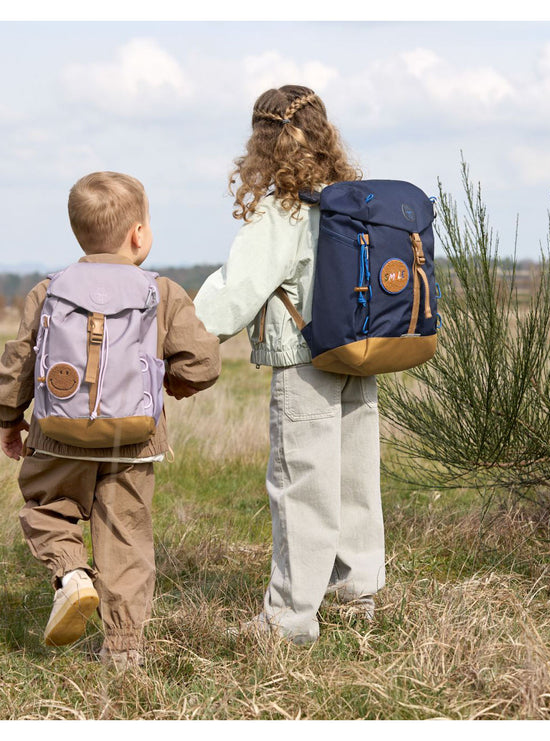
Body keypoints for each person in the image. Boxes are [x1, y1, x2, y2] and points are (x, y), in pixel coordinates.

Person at [0, 171, 221, 668]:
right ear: (139, 234)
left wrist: (10, 417)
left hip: (56, 435)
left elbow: (19, 360)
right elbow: (204, 362)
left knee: (47, 509)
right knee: (127, 536)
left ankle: (72, 576)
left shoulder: (49, 289)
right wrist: (168, 385)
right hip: (132, 441)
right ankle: (124, 650)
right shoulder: (163, 291)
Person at [194, 85, 384, 645]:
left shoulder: (282, 211)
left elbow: (236, 291)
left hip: (305, 360)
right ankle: (357, 598)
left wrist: (175, 335)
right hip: (360, 356)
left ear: (262, 141)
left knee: (302, 486)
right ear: (326, 134)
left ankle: (288, 622)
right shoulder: (353, 202)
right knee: (354, 481)